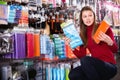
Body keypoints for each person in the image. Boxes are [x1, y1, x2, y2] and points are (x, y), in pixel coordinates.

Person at [66, 6, 118, 80]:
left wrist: (110, 42)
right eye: (85, 16)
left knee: (85, 60)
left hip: (109, 66)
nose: (88, 18)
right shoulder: (83, 34)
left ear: (94, 16)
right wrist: (72, 47)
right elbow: (81, 55)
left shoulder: (103, 27)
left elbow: (115, 50)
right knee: (73, 74)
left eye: (90, 15)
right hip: (94, 68)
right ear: (82, 19)